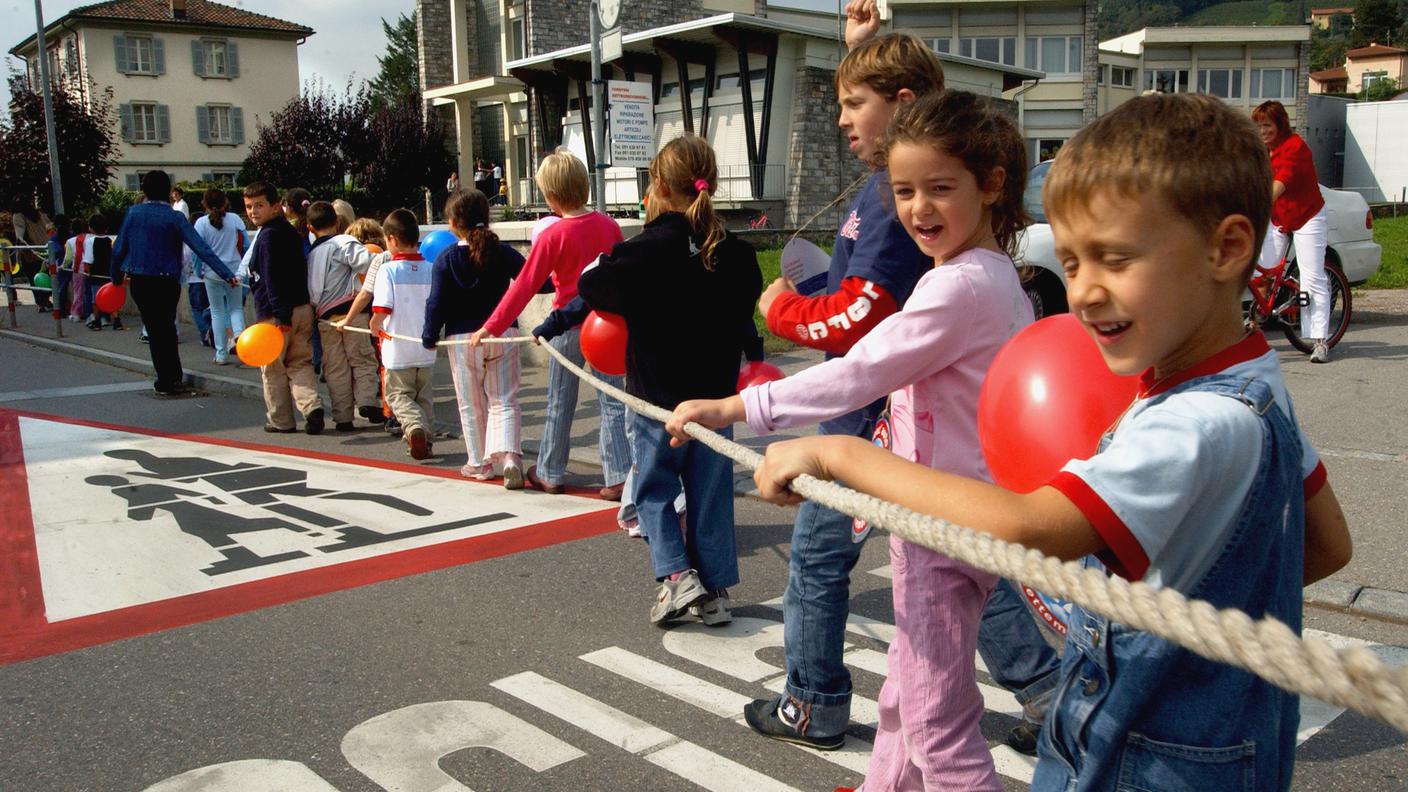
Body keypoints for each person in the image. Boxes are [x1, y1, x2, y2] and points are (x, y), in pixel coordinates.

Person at [751, 92, 1354, 792]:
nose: (1086, 294)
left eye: (1115, 259)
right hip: (1211, 743)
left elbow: (1030, 527)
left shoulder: (1192, 424)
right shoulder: (1257, 383)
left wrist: (842, 455)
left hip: (1147, 757)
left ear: (1226, 248)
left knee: (933, 716)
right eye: (1071, 265)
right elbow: (1327, 545)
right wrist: (1192, 619)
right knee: (912, 699)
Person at [670, 91, 1032, 788]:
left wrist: (735, 405)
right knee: (907, 688)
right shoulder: (990, 277)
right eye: (903, 191)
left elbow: (860, 372)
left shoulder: (957, 290)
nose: (919, 208)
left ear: (990, 186)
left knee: (937, 724)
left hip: (939, 523)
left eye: (940, 188)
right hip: (943, 512)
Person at [700, 30, 943, 751]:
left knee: (818, 557)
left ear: (902, 105)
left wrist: (783, 311)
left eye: (853, 103)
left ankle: (811, 704)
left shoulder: (894, 193)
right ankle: (1045, 689)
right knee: (945, 552)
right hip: (873, 399)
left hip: (865, 406)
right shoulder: (884, 186)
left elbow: (863, 311)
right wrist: (867, 48)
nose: (841, 118)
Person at [581, 134, 762, 626]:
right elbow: (743, 314)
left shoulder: (645, 249)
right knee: (710, 492)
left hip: (657, 399)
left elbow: (591, 285)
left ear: (658, 184)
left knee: (655, 488)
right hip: (714, 399)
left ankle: (678, 577)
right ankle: (716, 586)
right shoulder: (739, 254)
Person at [468, 148, 630, 499]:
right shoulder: (609, 225)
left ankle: (550, 472)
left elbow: (525, 285)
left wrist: (491, 327)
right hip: (606, 326)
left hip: (566, 328)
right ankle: (618, 475)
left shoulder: (553, 235)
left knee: (560, 402)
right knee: (614, 401)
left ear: (552, 196)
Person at [423, 189, 526, 486]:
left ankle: (479, 464)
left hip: (461, 339)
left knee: (471, 403)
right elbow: (534, 281)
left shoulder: (445, 258)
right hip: (503, 333)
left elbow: (436, 303)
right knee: (504, 399)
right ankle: (510, 458)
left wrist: (429, 336)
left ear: (453, 222)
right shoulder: (503, 251)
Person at [111, 171, 238, 395]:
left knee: (154, 329)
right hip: (167, 280)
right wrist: (226, 273)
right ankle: (174, 378)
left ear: (144, 190)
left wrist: (114, 278)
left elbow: (119, 248)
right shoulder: (175, 217)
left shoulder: (133, 213)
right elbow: (201, 248)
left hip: (140, 279)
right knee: (167, 328)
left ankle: (164, 379)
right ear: (169, 191)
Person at [1253, 100, 1333, 363]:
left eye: (1267, 126)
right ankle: (1254, 322)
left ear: (1280, 125)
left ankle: (1320, 341)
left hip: (1307, 216)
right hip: (1280, 218)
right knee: (1259, 272)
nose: (1262, 131)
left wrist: (1254, 207)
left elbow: (1279, 185)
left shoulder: (1295, 147)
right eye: (1259, 126)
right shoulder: (1265, 151)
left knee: (1312, 277)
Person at [243, 181, 325, 434]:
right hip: (302, 307)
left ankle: (280, 420)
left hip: (277, 314)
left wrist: (280, 314)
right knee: (300, 363)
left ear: (276, 206)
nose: (253, 211)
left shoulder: (267, 236)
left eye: (259, 205)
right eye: (248, 206)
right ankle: (311, 405)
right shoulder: (290, 232)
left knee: (274, 369)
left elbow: (271, 278)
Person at [306, 200, 379, 431]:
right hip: (352, 311)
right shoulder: (344, 242)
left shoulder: (312, 253)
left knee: (335, 367)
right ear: (337, 221)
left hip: (325, 317)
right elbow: (366, 262)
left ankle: (342, 416)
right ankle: (368, 401)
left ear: (309, 227)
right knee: (362, 358)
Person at [371, 209, 438, 460]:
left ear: (392, 240)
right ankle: (426, 440)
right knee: (424, 399)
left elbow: (382, 308)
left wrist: (374, 324)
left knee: (398, 396)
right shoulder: (431, 269)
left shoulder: (388, 271)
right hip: (426, 348)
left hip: (398, 349)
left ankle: (414, 428)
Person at [339, 218, 392, 428]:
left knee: (346, 363)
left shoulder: (352, 256)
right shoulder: (377, 254)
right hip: (379, 315)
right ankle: (375, 403)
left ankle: (348, 408)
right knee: (372, 362)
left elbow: (363, 291)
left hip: (357, 313)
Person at [193, 188, 247, 364]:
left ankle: (221, 354)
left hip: (211, 272)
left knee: (217, 311)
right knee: (236, 308)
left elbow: (197, 251)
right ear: (226, 202)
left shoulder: (200, 223)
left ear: (205, 204)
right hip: (234, 269)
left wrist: (198, 270)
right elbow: (245, 245)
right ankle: (240, 340)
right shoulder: (235, 220)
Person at [84, 214, 119, 330]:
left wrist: (87, 271)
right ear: (106, 228)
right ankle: (116, 320)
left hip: (96, 273)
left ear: (91, 228)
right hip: (108, 273)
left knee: (96, 298)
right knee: (111, 297)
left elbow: (88, 259)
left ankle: (97, 321)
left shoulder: (90, 242)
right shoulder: (110, 240)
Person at [60, 216, 89, 322]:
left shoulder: (70, 241)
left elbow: (68, 258)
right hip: (90, 266)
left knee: (78, 291)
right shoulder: (90, 238)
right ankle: (89, 312)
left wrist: (63, 266)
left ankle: (76, 313)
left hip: (78, 268)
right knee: (89, 291)